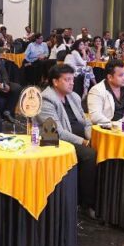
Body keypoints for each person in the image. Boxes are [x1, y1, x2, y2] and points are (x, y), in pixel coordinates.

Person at [40, 64, 96, 212]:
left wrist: (91, 137)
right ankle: (87, 203)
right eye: (67, 79)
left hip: (78, 137)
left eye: (72, 79)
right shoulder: (46, 99)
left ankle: (99, 197)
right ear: (55, 81)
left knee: (103, 148)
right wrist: (85, 142)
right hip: (55, 141)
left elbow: (86, 122)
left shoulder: (73, 96)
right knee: (90, 155)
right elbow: (57, 132)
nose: (72, 83)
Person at [86, 59, 124, 126]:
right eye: (120, 75)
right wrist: (117, 125)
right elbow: (95, 117)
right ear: (110, 77)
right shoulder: (97, 90)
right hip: (108, 129)